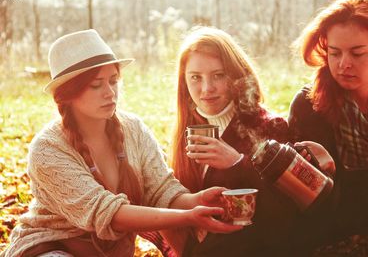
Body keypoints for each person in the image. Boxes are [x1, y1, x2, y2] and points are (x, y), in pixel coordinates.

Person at [0, 29, 243, 257]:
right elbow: (109, 214)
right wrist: (188, 217)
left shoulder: (133, 129)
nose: (110, 92)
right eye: (96, 85)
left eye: (113, 81)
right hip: (49, 249)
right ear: (67, 94)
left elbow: (162, 190)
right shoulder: (47, 149)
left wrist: (197, 200)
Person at [142, 26, 333, 257]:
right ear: (184, 83)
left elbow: (289, 216)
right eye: (195, 77)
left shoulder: (269, 126)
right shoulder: (186, 130)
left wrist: (237, 163)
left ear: (236, 75)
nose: (206, 89)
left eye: (218, 75)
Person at [288, 0, 368, 255]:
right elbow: (297, 201)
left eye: (357, 53)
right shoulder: (309, 106)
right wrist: (325, 173)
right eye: (334, 53)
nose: (344, 64)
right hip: (316, 239)